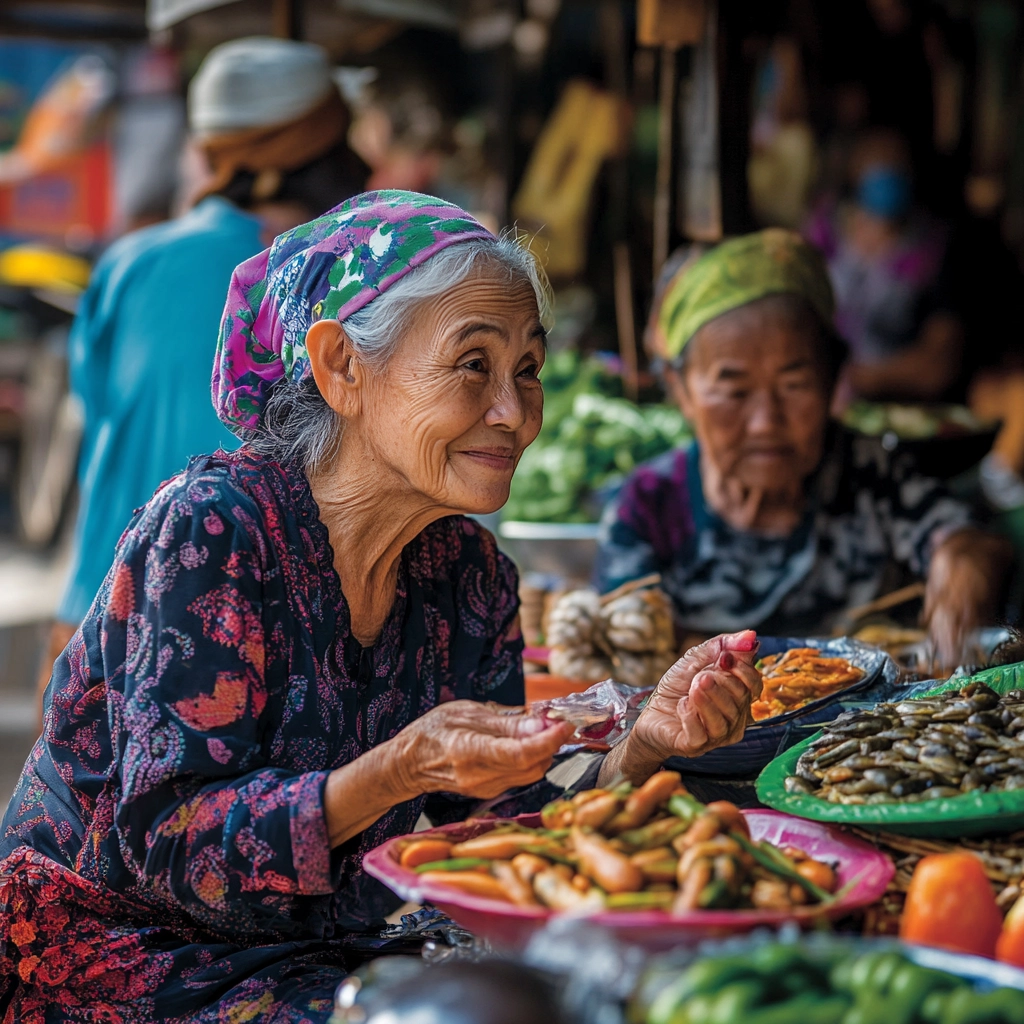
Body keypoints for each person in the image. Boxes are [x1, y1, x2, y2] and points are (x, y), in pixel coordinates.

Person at [0, 191, 761, 1021]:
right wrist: (397, 769)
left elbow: (496, 830)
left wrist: (643, 746)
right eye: (474, 365)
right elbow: (174, 843)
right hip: (119, 954)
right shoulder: (214, 531)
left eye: (528, 370)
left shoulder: (468, 574)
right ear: (342, 369)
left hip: (312, 951)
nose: (514, 413)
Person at [41, 37, 369, 708]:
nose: (364, 163)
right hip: (232, 637)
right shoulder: (334, 279)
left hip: (91, 621)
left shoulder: (128, 263)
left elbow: (99, 405)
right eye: (345, 144)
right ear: (310, 157)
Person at [596, 229, 1009, 666]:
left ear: (833, 377)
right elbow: (629, 649)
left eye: (795, 385)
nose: (765, 422)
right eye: (734, 392)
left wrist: (962, 563)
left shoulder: (871, 473)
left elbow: (965, 542)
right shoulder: (647, 505)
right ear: (681, 391)